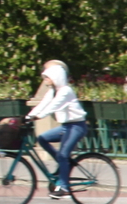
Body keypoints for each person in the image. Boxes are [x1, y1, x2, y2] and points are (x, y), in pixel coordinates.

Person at [24, 61, 89, 196]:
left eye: (47, 77)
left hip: (77, 126)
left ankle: (64, 187)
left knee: (63, 154)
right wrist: (27, 117)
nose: (45, 80)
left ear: (56, 77)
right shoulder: (52, 91)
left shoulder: (65, 91)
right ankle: (62, 166)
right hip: (66, 126)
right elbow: (43, 104)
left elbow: (53, 106)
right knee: (42, 138)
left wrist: (38, 117)